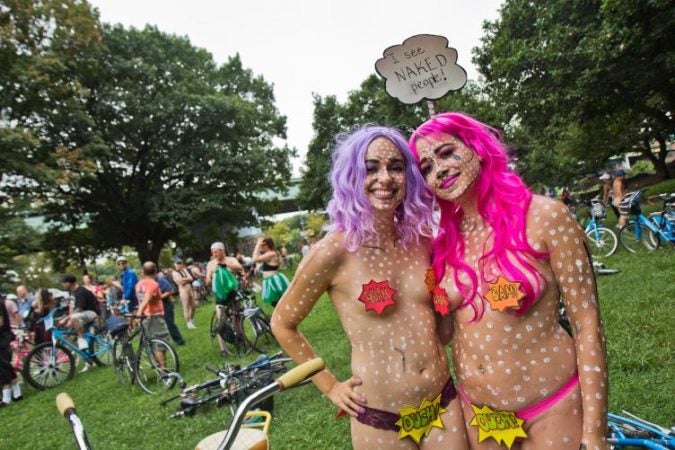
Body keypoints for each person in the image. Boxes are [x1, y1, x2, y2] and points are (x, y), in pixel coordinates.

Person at [409, 112, 608, 450]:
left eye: (445, 153)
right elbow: (443, 334)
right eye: (425, 167)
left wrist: (595, 431)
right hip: (482, 417)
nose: (438, 170)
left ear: (478, 148)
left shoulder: (545, 217)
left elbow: (587, 325)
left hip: (552, 407)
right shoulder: (442, 242)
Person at [271, 126, 468, 449]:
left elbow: (437, 327)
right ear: (351, 176)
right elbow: (282, 323)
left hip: (442, 408)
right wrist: (330, 385)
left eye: (395, 167)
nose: (385, 178)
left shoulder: (423, 242)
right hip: (380, 420)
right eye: (371, 168)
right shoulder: (333, 251)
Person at [205, 242, 243, 356]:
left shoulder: (230, 260)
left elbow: (239, 267)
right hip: (220, 296)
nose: (214, 254)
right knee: (221, 320)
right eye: (212, 252)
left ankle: (241, 338)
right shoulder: (211, 264)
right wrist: (208, 279)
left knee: (238, 317)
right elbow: (207, 279)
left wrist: (226, 265)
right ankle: (223, 349)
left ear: (222, 251)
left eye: (216, 251)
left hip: (233, 293)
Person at [59, 274, 100, 371]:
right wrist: (67, 318)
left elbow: (80, 308)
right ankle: (89, 362)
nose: (63, 285)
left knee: (80, 338)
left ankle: (82, 340)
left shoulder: (80, 291)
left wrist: (67, 319)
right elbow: (73, 307)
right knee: (76, 337)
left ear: (69, 283)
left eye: (64, 283)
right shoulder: (72, 293)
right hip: (82, 315)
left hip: (91, 313)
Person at [135, 262, 170, 366]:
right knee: (160, 344)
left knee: (152, 343)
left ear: (143, 271)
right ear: (155, 271)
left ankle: (158, 367)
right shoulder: (153, 284)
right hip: (154, 316)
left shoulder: (139, 284)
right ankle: (165, 372)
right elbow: (146, 298)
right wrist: (139, 312)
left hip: (145, 317)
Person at [251, 237, 289, 307]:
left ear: (266, 245)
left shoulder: (271, 254)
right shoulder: (272, 253)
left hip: (273, 281)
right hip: (271, 280)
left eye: (262, 245)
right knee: (277, 303)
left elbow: (254, 259)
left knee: (277, 303)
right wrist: (259, 266)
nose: (260, 247)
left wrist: (257, 245)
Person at [0, 297, 22, 406]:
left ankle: (6, 399)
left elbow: (0, 322)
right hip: (3, 339)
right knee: (6, 367)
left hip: (2, 340)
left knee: (3, 369)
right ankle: (17, 394)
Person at [157, 270, 185, 346]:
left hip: (166, 305)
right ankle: (163, 344)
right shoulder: (147, 282)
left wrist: (158, 298)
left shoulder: (160, 280)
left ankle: (179, 341)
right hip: (156, 307)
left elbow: (170, 290)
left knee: (170, 324)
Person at [171, 258, 198, 329]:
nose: (180, 265)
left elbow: (191, 278)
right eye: (178, 263)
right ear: (175, 264)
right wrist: (186, 279)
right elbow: (180, 282)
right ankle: (188, 322)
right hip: (183, 290)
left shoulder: (184, 270)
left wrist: (185, 279)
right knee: (186, 307)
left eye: (180, 263)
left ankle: (191, 319)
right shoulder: (174, 272)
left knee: (194, 305)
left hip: (189, 288)